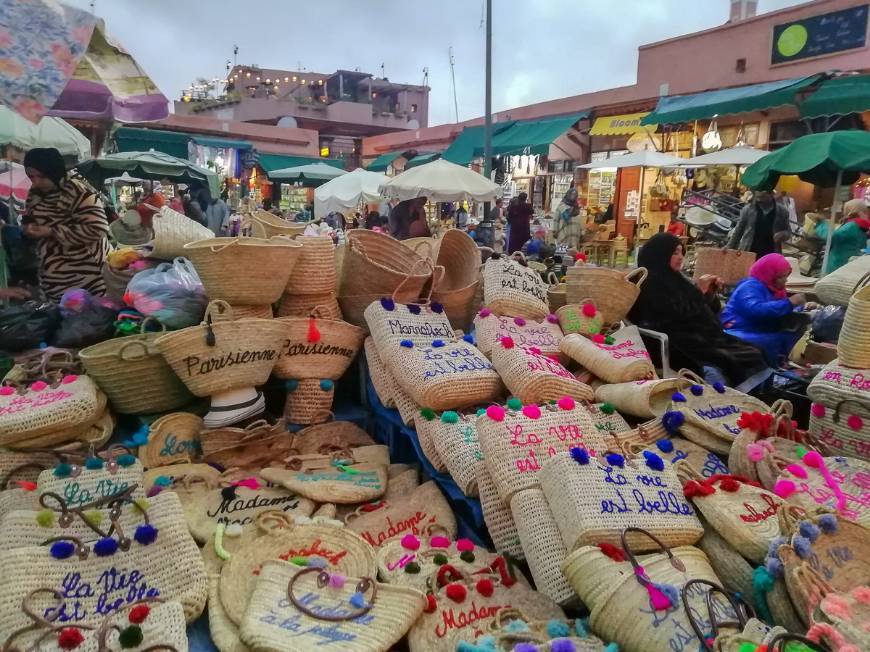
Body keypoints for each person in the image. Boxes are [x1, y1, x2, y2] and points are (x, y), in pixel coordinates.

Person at [628, 232, 768, 387]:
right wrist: (699, 292)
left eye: (682, 252)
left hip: (701, 336)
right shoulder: (646, 283)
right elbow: (671, 317)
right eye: (675, 253)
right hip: (677, 342)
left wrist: (709, 294)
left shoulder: (678, 279)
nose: (680, 257)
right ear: (660, 254)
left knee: (755, 351)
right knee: (729, 361)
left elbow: (701, 310)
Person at [21, 147, 111, 301]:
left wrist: (52, 231)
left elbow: (98, 229)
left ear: (53, 172)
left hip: (86, 275)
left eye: (41, 176)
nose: (35, 181)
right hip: (51, 277)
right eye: (31, 176)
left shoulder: (79, 191)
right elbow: (31, 217)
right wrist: (28, 229)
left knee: (88, 318)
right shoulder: (35, 193)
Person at [720, 253, 811, 366]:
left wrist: (802, 306)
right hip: (738, 330)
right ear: (770, 274)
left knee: (795, 338)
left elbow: (778, 306)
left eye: (786, 276)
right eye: (781, 277)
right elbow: (756, 309)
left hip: (759, 329)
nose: (785, 280)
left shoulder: (773, 289)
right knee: (779, 340)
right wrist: (790, 303)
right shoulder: (750, 286)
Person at [810, 198, 870, 273]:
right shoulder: (861, 225)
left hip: (838, 265)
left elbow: (832, 236)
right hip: (849, 265)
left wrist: (820, 224)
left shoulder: (852, 225)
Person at [728, 190, 791, 256]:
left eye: (762, 197)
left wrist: (783, 234)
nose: (759, 200)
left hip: (771, 253)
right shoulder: (748, 209)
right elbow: (739, 230)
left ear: (771, 195)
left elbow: (788, 231)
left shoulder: (782, 211)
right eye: (757, 197)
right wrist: (729, 246)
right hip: (749, 251)